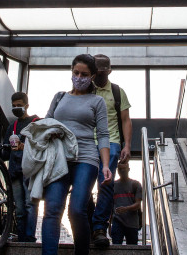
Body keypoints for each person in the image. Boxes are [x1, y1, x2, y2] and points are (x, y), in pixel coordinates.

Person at [41, 54, 112, 255]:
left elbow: (104, 135)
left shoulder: (97, 101)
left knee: (76, 210)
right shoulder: (60, 97)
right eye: (76, 73)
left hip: (86, 158)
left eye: (84, 74)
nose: (79, 77)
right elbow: (46, 123)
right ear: (71, 71)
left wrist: (105, 165)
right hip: (59, 158)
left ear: (92, 76)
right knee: (52, 210)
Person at [90, 54, 133, 247]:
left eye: (102, 71)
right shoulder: (84, 89)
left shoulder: (117, 92)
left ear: (109, 71)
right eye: (96, 71)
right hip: (86, 143)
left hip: (112, 142)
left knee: (105, 184)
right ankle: (92, 219)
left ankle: (99, 227)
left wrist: (127, 145)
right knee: (83, 185)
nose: (98, 75)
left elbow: (125, 119)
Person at [0, 92, 39, 242]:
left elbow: (41, 146)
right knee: (19, 208)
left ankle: (29, 237)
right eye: (14, 106)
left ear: (27, 105)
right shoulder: (12, 126)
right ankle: (21, 237)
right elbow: (6, 151)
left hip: (30, 171)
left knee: (30, 204)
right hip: (14, 171)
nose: (16, 108)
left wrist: (24, 146)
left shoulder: (36, 122)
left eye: (19, 105)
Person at [111, 163, 142, 245]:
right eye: (120, 169)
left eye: (124, 169)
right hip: (117, 220)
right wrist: (109, 223)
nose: (122, 171)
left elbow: (138, 204)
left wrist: (126, 209)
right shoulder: (113, 185)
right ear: (117, 170)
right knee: (116, 247)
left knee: (132, 247)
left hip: (132, 222)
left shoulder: (135, 184)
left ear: (128, 169)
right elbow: (111, 205)